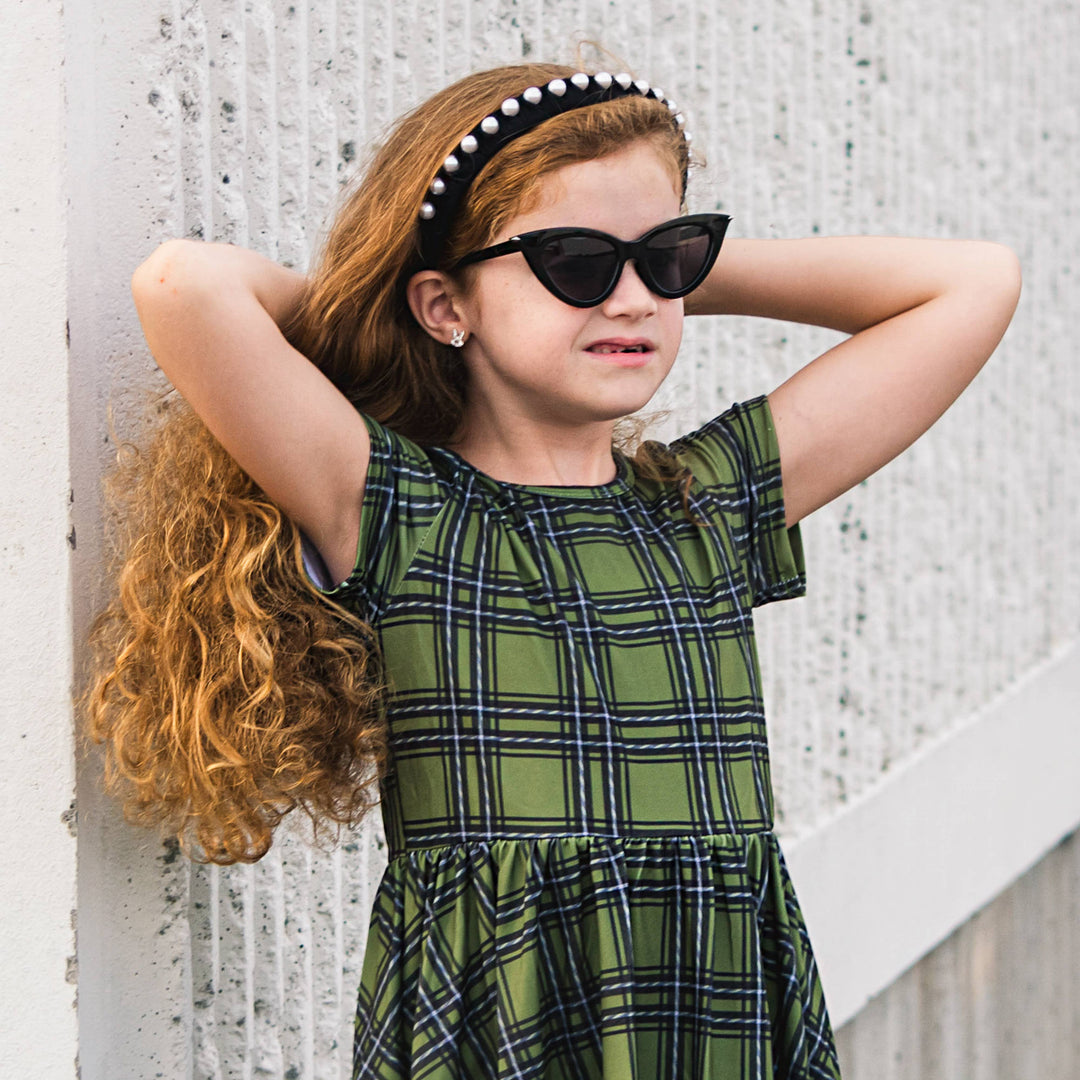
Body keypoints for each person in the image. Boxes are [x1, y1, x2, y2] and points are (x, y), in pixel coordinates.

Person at [87, 61, 1020, 1079]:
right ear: (444, 303)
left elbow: (973, 284)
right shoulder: (400, 511)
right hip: (501, 1023)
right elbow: (183, 288)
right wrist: (393, 301)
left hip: (710, 1012)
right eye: (574, 261)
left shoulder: (705, 504)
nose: (634, 299)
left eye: (668, 256)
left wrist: (656, 273)